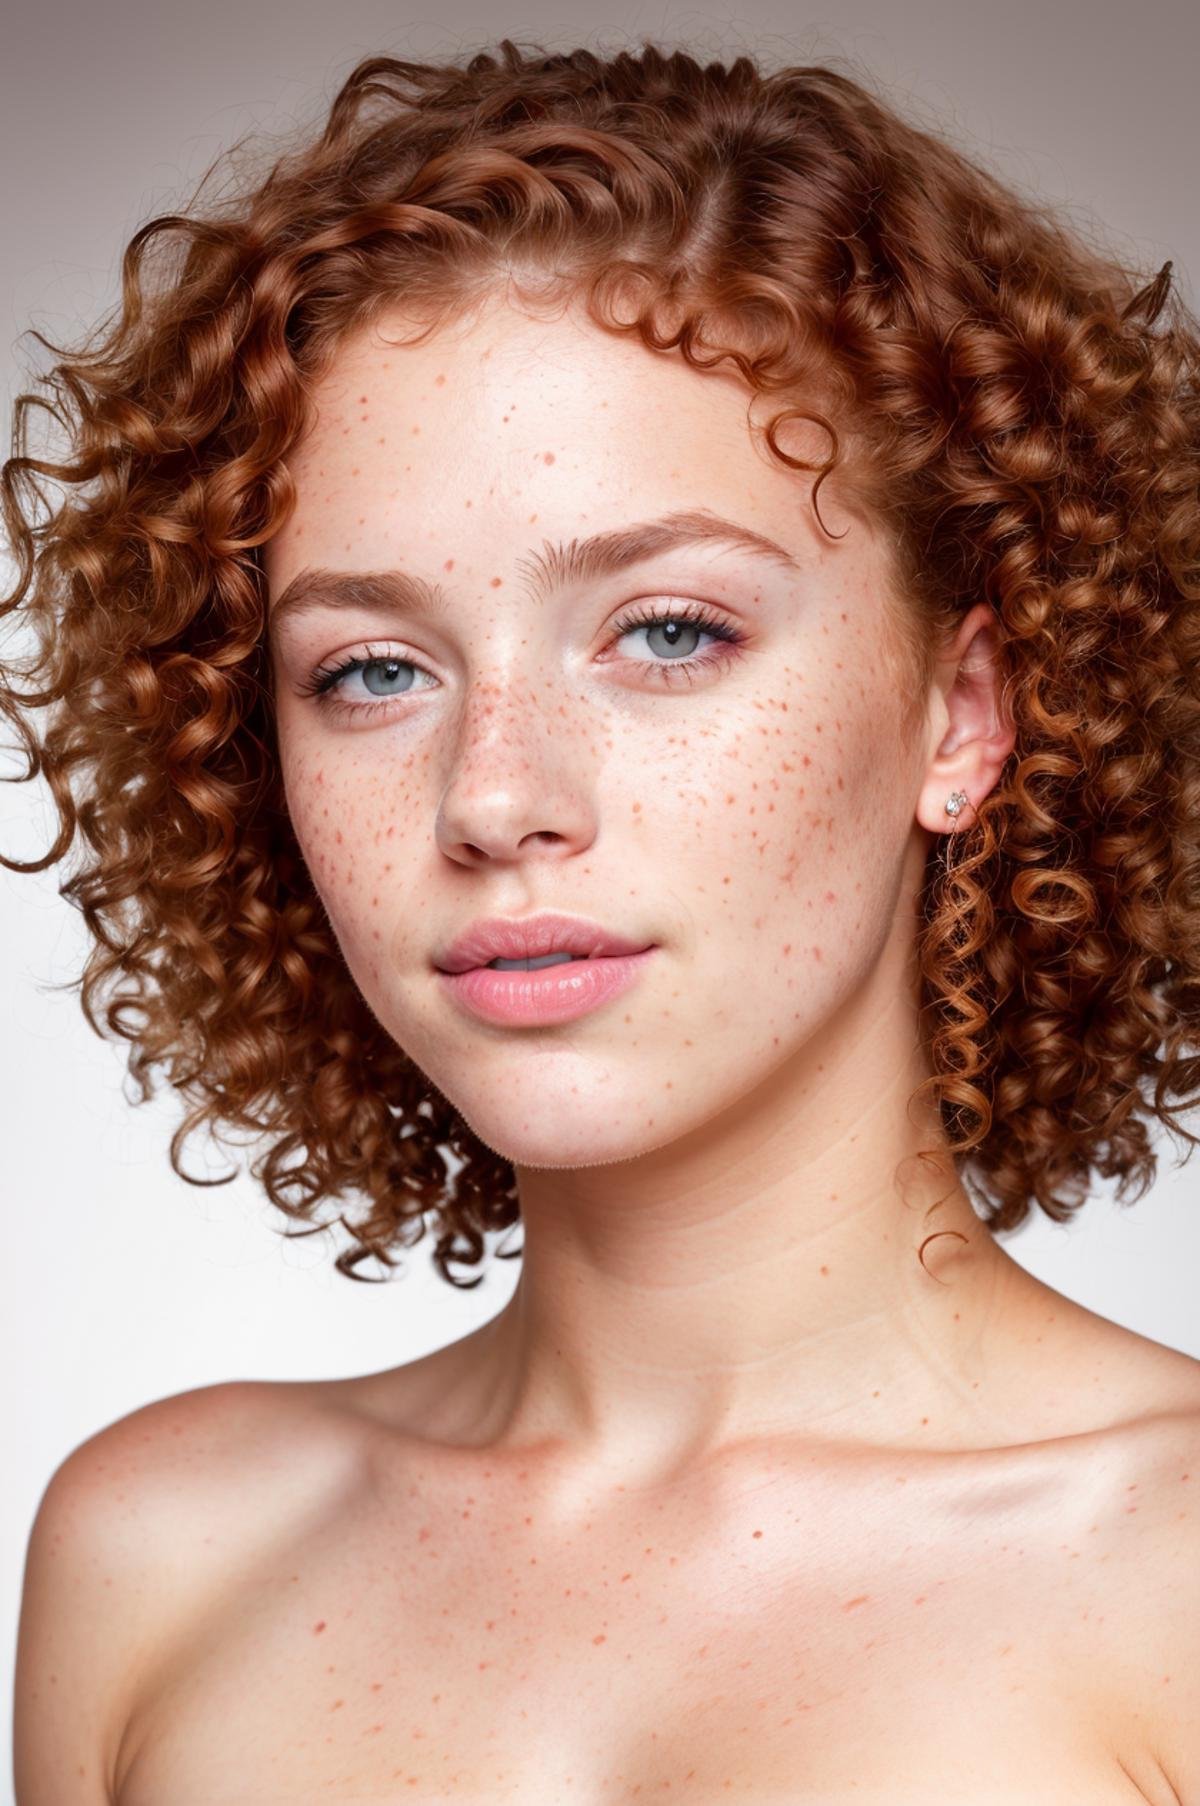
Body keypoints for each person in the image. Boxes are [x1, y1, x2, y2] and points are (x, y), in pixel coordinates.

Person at [7, 37, 1199, 1805]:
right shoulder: (156, 1557)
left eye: (667, 632)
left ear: (961, 712)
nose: (494, 798)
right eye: (375, 667)